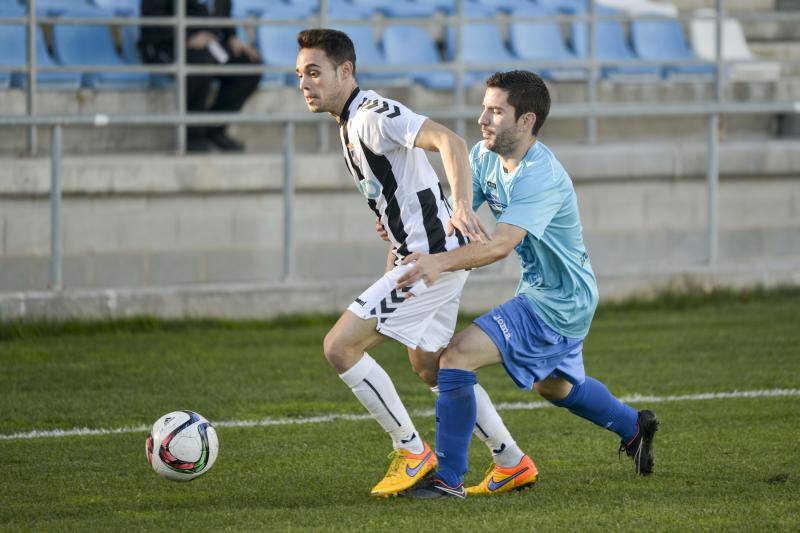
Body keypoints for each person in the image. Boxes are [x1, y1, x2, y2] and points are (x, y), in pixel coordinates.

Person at [295, 29, 539, 498]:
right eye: (300, 75)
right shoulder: (348, 123)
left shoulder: (371, 114)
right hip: (421, 251)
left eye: (314, 72)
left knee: (340, 347)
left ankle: (411, 450)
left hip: (431, 258)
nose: (305, 84)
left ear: (346, 71)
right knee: (433, 367)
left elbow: (449, 141)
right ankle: (511, 460)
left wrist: (463, 206)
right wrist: (392, 224)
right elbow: (398, 188)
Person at [399, 70, 660, 499]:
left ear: (526, 122)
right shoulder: (485, 158)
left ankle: (448, 480)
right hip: (550, 294)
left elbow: (500, 245)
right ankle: (634, 426)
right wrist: (404, 231)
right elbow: (450, 218)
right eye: (484, 107)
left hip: (558, 301)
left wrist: (437, 264)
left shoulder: (541, 175)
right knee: (552, 386)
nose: (482, 118)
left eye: (496, 111)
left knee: (456, 358)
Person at [139, 0, 261, 152]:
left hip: (208, 45)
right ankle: (192, 134)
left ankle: (214, 128)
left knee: (249, 65)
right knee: (200, 61)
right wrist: (186, 37)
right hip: (167, 45)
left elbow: (223, 11)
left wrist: (231, 36)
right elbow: (152, 19)